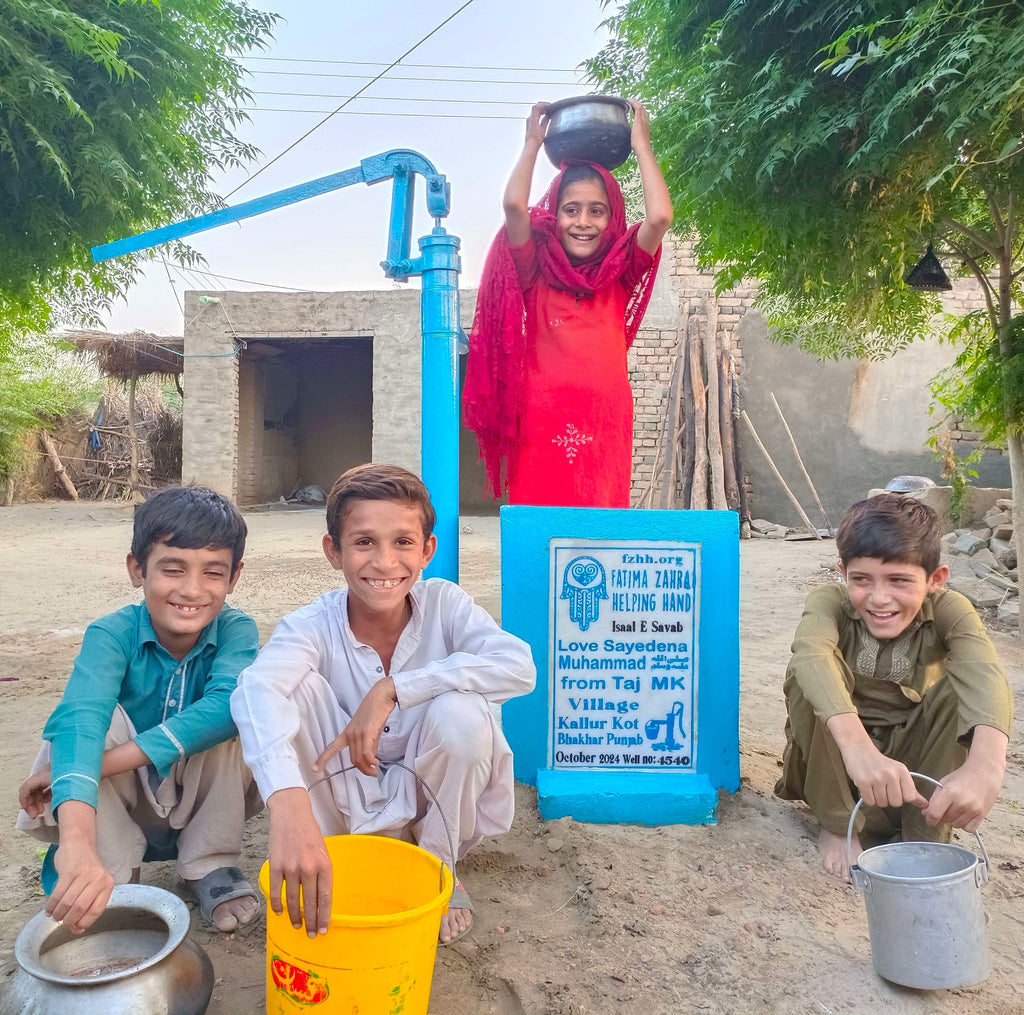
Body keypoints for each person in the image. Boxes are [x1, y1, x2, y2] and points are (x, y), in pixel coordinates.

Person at [230, 463, 536, 944]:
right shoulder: (311, 625)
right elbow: (255, 690)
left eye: (403, 542)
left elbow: (518, 666)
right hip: (343, 803)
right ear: (334, 551)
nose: (385, 562)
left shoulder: (446, 605)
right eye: (364, 542)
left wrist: (396, 688)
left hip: (430, 804)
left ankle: (437, 868)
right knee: (295, 689)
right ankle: (331, 856)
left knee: (464, 712)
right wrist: (286, 804)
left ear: (427, 551)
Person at [17, 486, 263, 933]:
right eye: (172, 569)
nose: (192, 590)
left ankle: (208, 864)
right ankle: (106, 871)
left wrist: (102, 765)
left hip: (201, 792)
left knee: (245, 712)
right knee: (83, 729)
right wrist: (74, 841)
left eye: (213, 573)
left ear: (234, 577)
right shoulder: (111, 634)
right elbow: (81, 720)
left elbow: (226, 707)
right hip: (125, 804)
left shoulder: (236, 630)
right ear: (137, 568)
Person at [775, 493, 1013, 880]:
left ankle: (925, 832)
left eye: (899, 581)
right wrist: (858, 750)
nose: (879, 598)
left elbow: (984, 672)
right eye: (862, 580)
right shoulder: (829, 602)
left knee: (959, 687)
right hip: (837, 767)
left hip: (912, 779)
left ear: (935, 580)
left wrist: (986, 765)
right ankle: (839, 825)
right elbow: (811, 653)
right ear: (843, 573)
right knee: (806, 676)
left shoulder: (950, 610)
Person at [463, 99, 673, 507]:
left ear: (612, 219)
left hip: (606, 417)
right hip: (541, 417)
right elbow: (512, 207)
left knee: (602, 524)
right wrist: (531, 143)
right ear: (554, 214)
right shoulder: (535, 271)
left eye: (597, 211)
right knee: (539, 520)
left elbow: (660, 217)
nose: (583, 222)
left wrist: (642, 147)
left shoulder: (622, 271)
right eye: (571, 210)